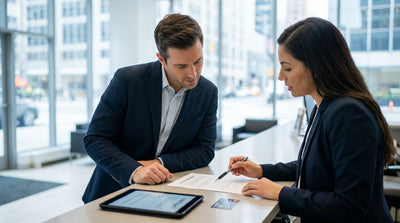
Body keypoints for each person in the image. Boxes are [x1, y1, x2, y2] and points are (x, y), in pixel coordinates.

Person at [228, 17, 395, 223]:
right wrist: (262, 170)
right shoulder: (325, 105)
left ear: (317, 67)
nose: (280, 77)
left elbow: (350, 205)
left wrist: (281, 194)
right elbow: (316, 165)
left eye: (287, 68)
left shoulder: (349, 114)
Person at [82, 13, 218, 203]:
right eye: (181, 66)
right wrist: (135, 169)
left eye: (198, 62)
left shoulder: (208, 91)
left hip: (169, 195)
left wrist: (158, 164)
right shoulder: (127, 81)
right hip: (113, 191)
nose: (192, 74)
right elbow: (95, 139)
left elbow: (204, 149)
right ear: (161, 59)